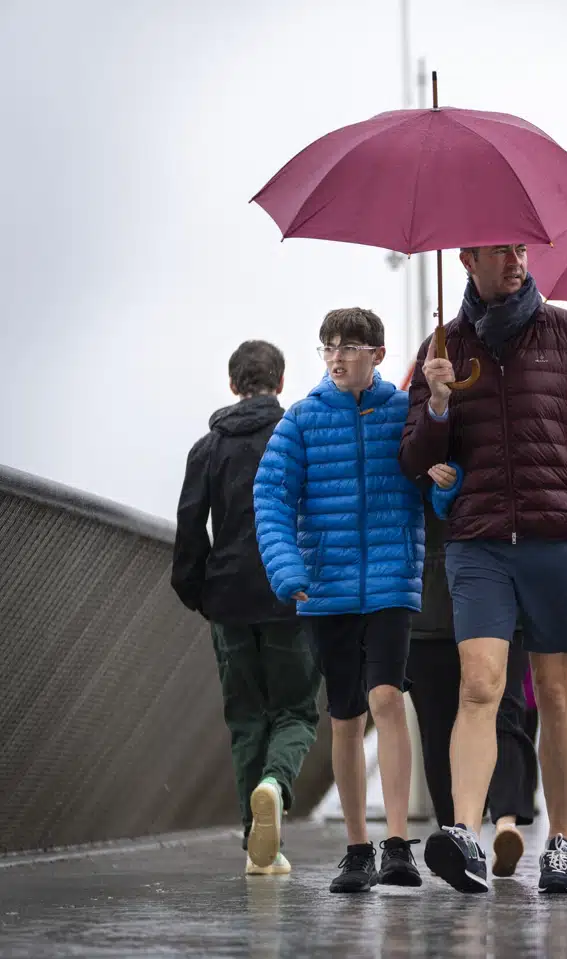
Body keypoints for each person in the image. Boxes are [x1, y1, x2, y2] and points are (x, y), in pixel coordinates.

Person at [400, 242, 567, 894]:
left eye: (521, 249)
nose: (516, 260)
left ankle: (560, 842)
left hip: (557, 541)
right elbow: (413, 456)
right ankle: (465, 835)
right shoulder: (442, 348)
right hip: (477, 543)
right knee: (479, 685)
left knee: (557, 692)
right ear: (468, 260)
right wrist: (439, 402)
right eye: (501, 251)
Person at [253, 308, 427, 894]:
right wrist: (287, 569)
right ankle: (358, 849)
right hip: (325, 589)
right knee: (346, 716)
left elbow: (440, 486)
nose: (336, 357)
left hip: (390, 580)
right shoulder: (300, 420)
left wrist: (448, 484)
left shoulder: (405, 414)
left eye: (349, 346)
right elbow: (271, 498)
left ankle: (398, 844)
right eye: (328, 346)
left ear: (377, 353)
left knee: (386, 698)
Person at [171, 340, 321, 877]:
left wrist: (203, 596)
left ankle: (258, 847)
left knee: (245, 721)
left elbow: (190, 536)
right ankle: (275, 785)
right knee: (297, 712)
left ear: (233, 385)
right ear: (280, 383)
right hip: (290, 596)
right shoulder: (297, 436)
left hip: (228, 599)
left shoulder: (206, 449)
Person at [407, 456, 540, 879]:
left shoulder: (412, 433)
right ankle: (506, 819)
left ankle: (460, 832)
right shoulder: (502, 427)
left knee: (438, 721)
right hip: (502, 590)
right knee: (504, 712)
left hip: (429, 593)